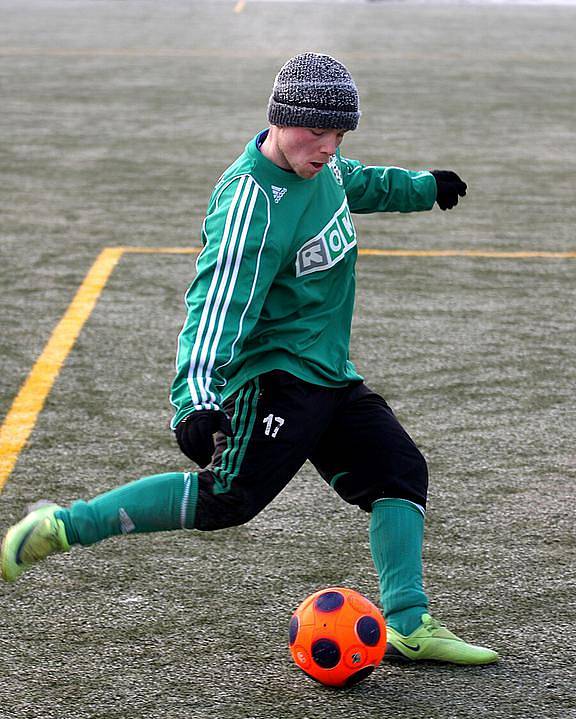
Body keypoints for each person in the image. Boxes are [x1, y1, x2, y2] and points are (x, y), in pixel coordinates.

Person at [1, 53, 498, 665]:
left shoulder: (324, 165)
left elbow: (355, 181)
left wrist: (422, 188)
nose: (327, 146)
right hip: (273, 377)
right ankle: (62, 526)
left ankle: (409, 623)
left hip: (327, 370)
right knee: (226, 501)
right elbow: (215, 304)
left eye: (339, 134)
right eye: (316, 131)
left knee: (399, 473)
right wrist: (196, 400)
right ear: (280, 119)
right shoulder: (249, 206)